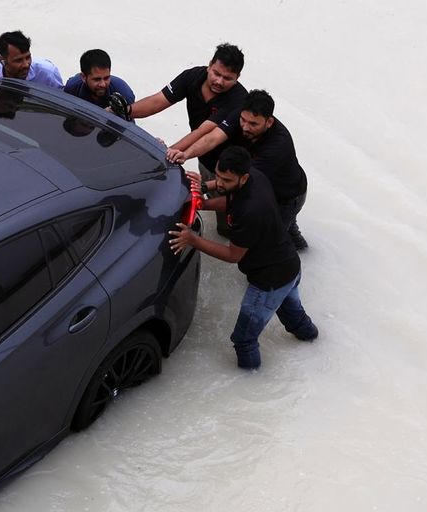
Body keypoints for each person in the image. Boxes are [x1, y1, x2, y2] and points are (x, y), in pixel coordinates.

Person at [168, 146, 317, 370]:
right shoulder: (253, 177)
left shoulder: (251, 210)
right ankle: (316, 344)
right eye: (217, 175)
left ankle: (252, 384)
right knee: (295, 319)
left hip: (269, 282)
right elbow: (231, 200)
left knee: (244, 340)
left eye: (225, 180)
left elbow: (232, 255)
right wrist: (204, 201)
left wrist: (193, 240)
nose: (218, 183)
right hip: (289, 266)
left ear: (243, 177)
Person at [170, 89, 311, 249]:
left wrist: (203, 189)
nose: (245, 127)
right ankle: (302, 248)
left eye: (253, 124)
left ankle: (302, 257)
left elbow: (240, 185)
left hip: (286, 197)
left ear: (269, 122)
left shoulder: (277, 147)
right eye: (243, 120)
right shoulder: (241, 114)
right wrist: (185, 154)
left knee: (270, 244)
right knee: (289, 232)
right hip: (273, 182)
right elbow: (212, 139)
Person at [129, 43, 248, 178]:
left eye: (227, 78)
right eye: (216, 74)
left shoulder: (239, 100)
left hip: (230, 172)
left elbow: (204, 133)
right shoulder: (192, 76)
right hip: (203, 159)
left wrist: (165, 154)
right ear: (209, 65)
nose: (219, 82)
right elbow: (157, 102)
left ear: (237, 78)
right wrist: (124, 111)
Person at [0, 30, 64, 89]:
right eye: (18, 60)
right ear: (2, 61)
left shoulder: (48, 73)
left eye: (28, 57)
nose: (26, 64)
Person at [63, 49, 135, 115]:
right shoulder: (72, 88)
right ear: (83, 77)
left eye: (106, 78)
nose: (103, 84)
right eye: (97, 79)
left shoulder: (124, 93)